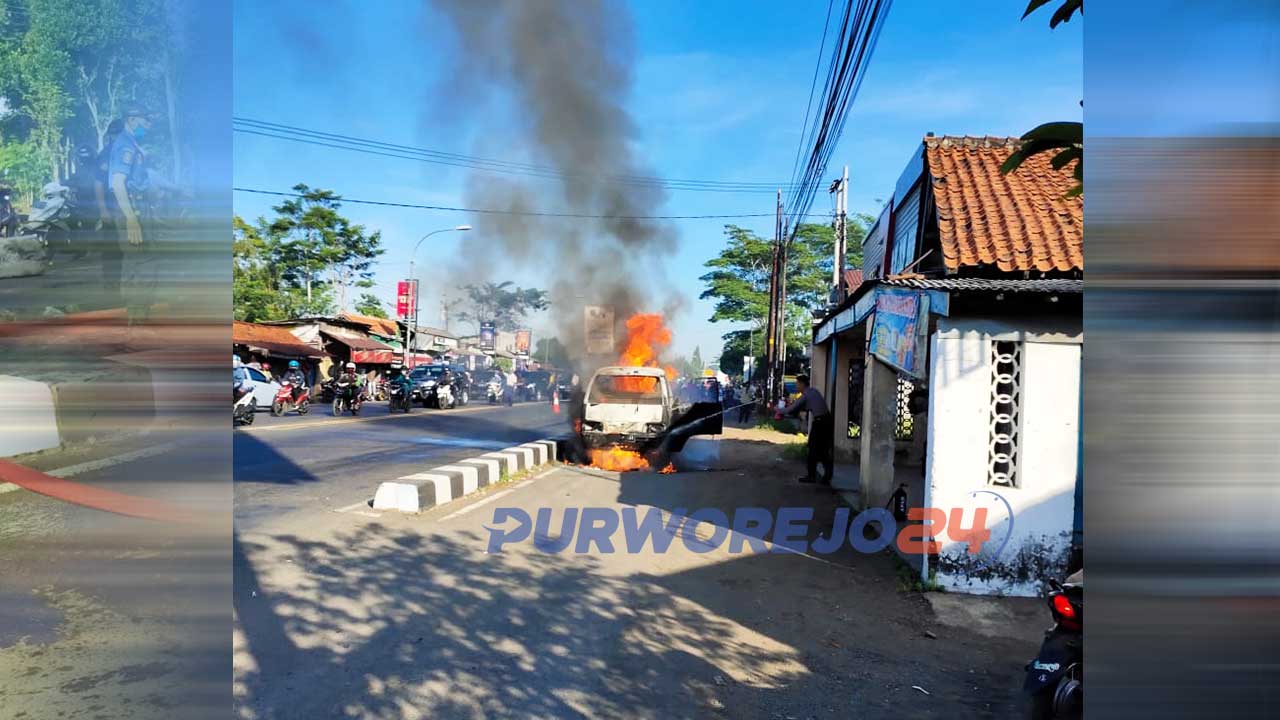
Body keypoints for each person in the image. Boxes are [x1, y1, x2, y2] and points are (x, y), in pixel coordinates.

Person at [107, 107, 155, 323]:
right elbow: (117, 183)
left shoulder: (132, 145)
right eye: (146, 121)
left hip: (137, 207)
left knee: (136, 261)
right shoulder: (125, 145)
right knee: (141, 263)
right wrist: (131, 218)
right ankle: (137, 321)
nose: (148, 126)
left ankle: (136, 319)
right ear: (132, 119)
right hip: (132, 209)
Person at [781, 374, 834, 486]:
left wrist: (778, 410)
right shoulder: (813, 391)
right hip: (825, 421)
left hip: (821, 422)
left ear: (802, 384)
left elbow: (791, 408)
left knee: (814, 449)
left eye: (797, 384)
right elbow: (804, 407)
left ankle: (813, 476)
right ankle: (825, 476)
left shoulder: (806, 394)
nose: (796, 386)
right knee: (822, 450)